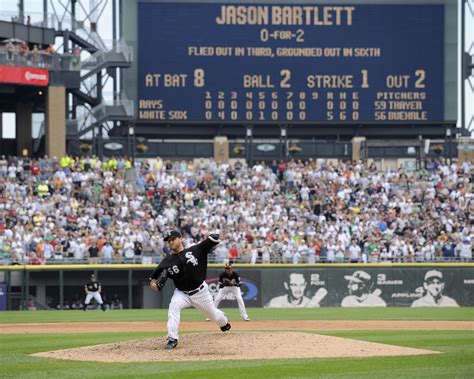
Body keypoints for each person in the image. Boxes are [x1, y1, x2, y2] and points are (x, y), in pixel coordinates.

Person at [149, 230, 231, 350]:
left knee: (215, 316)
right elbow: (153, 279)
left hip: (200, 292)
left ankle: (224, 324)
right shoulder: (167, 262)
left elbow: (213, 239)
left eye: (173, 239)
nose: (170, 242)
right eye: (168, 241)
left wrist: (216, 235)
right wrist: (154, 284)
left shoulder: (196, 250)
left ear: (180, 238)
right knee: (174, 306)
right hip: (181, 293)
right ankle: (172, 338)